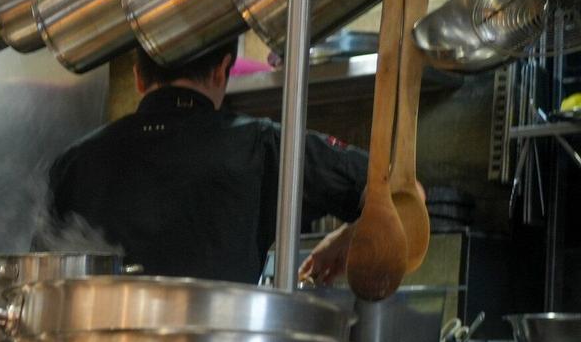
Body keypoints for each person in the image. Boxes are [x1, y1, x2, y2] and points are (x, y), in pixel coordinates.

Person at [45, 41, 409, 285]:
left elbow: (41, 277)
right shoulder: (264, 145)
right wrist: (347, 236)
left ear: (139, 78)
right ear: (222, 71)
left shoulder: (72, 162)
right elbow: (398, 192)